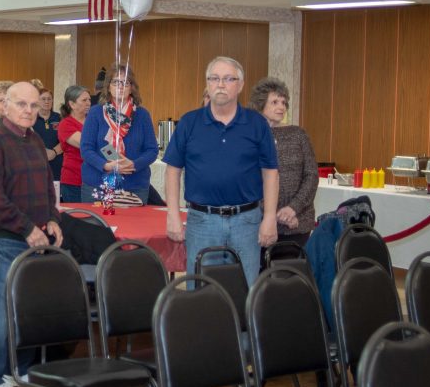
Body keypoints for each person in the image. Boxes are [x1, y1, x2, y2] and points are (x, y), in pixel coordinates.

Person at [0, 81, 63, 387]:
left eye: (33, 105)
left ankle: (19, 370)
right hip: (3, 239)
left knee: (25, 311)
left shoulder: (35, 139)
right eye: (21, 104)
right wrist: (27, 228)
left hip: (34, 237)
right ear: (4, 106)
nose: (28, 110)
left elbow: (47, 189)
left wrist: (52, 218)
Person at [164, 57, 279, 284]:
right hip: (202, 222)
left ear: (241, 85)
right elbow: (172, 170)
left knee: (247, 291)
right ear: (207, 84)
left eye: (228, 79)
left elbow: (270, 173)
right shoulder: (189, 123)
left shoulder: (257, 124)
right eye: (214, 78)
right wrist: (173, 215)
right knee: (201, 293)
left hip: (247, 222)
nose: (220, 84)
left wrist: (269, 218)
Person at [251, 77, 317, 249]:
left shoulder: (298, 135)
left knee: (291, 274)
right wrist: (271, 214)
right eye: (274, 102)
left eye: (283, 102)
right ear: (260, 104)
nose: (281, 107)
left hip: (298, 222)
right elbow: (248, 179)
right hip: (261, 223)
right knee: (262, 274)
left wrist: (292, 209)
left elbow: (311, 175)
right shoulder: (251, 137)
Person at [80, 64, 158, 203]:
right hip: (97, 184)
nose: (120, 86)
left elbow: (152, 150)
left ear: (132, 87)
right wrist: (106, 165)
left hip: (134, 186)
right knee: (94, 225)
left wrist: (133, 164)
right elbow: (86, 149)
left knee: (133, 225)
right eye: (116, 82)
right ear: (108, 86)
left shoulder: (142, 115)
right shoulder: (95, 113)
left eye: (125, 83)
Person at [57, 84, 90, 203]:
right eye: (84, 100)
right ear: (72, 104)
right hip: (74, 181)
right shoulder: (66, 124)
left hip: (94, 180)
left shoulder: (93, 120)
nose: (88, 103)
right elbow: (87, 145)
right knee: (78, 219)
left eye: (89, 100)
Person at [32, 81, 63, 183]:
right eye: (43, 99)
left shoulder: (59, 118)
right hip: (36, 163)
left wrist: (54, 152)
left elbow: (66, 140)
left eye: (49, 99)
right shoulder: (31, 118)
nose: (47, 101)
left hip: (57, 163)